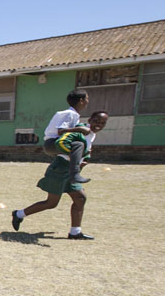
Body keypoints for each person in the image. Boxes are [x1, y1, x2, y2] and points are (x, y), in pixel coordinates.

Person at [12, 111, 108, 239]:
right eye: (96, 121)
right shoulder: (81, 130)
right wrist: (73, 156)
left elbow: (85, 150)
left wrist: (84, 159)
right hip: (61, 168)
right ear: (90, 120)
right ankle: (18, 214)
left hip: (71, 171)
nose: (98, 124)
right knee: (51, 203)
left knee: (80, 198)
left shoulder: (91, 134)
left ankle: (75, 232)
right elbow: (63, 143)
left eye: (102, 123)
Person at [41, 89, 92, 184]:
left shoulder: (73, 114)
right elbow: (61, 131)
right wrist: (80, 129)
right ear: (81, 101)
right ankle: (74, 175)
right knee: (78, 145)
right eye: (87, 98)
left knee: (82, 150)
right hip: (53, 143)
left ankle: (62, 178)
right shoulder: (70, 114)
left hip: (56, 144)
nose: (88, 101)